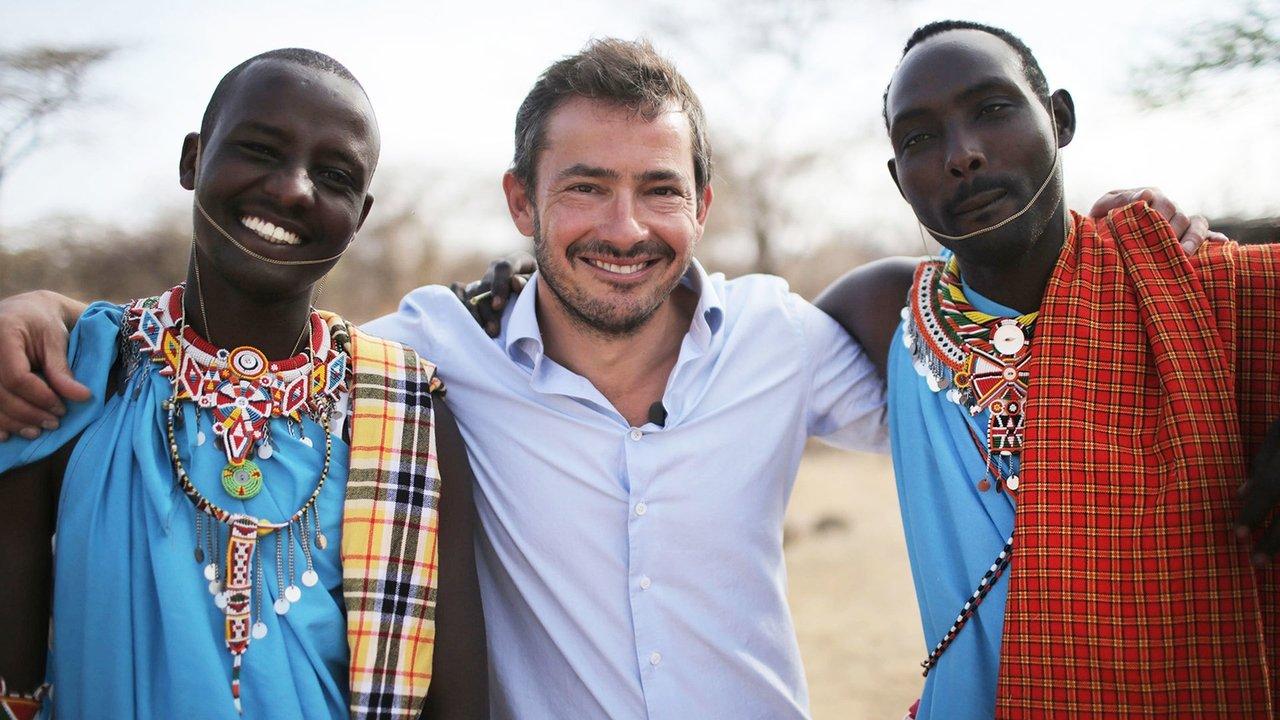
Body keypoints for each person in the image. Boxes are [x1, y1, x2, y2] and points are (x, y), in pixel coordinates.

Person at [0, 38, 1229, 719]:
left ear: (703, 204)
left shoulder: (785, 344)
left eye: (657, 190)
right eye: (582, 186)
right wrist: (45, 309)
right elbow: (246, 344)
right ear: (521, 202)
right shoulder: (421, 357)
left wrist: (1140, 246)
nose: (622, 226)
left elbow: (981, 340)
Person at [0, 49, 487, 720]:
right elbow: (13, 683)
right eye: (260, 150)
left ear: (360, 215)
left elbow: (455, 702)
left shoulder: (407, 413)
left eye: (333, 174)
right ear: (192, 160)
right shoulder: (75, 371)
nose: (292, 189)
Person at [814, 20, 1280, 718]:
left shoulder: (1193, 287)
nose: (961, 155)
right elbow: (716, 357)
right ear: (898, 181)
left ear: (1058, 119)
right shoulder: (886, 309)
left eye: (992, 110)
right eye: (918, 139)